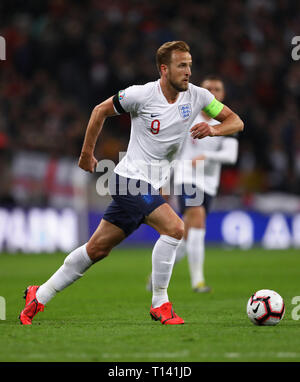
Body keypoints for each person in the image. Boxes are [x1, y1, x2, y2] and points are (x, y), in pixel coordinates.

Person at [19, 41, 244, 326]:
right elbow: (99, 111)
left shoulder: (198, 97)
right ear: (164, 69)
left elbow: (236, 121)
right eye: (181, 65)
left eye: (189, 65)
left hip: (150, 185)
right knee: (175, 228)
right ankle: (160, 304)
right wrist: (87, 153)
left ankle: (39, 294)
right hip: (129, 180)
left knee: (96, 249)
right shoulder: (141, 95)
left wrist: (213, 129)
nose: (188, 71)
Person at [172, 75, 239, 293]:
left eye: (217, 89)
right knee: (198, 219)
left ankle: (157, 274)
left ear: (223, 94)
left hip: (209, 183)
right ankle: (198, 282)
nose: (213, 92)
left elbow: (231, 156)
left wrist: (207, 158)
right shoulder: (185, 116)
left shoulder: (228, 121)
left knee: (187, 233)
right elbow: (171, 150)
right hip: (186, 177)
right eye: (208, 88)